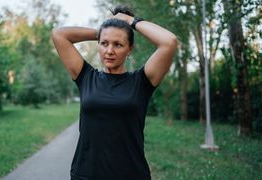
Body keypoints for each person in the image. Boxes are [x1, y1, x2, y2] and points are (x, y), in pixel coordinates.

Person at [52, 5, 177, 180]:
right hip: (86, 174)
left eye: (118, 44)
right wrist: (105, 31)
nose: (109, 51)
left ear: (129, 49)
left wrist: (131, 22)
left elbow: (169, 42)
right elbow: (59, 34)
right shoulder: (85, 76)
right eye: (104, 43)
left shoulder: (142, 82)